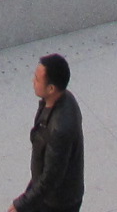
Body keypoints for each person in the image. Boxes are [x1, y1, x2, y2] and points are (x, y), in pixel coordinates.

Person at [13, 54, 83, 212]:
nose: (33, 81)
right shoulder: (60, 99)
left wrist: (21, 204)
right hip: (51, 195)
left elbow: (51, 178)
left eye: (37, 79)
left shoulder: (60, 129)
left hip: (57, 203)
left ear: (51, 88)